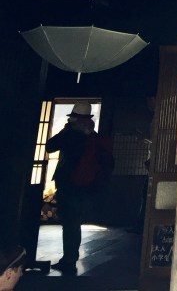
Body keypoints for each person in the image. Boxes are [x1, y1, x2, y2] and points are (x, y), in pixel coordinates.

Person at [46, 101, 113, 276]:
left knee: (70, 224)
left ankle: (68, 259)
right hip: (85, 187)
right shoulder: (93, 137)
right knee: (74, 223)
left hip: (68, 185)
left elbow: (50, 146)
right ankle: (70, 258)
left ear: (74, 118)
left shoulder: (71, 134)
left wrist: (66, 129)